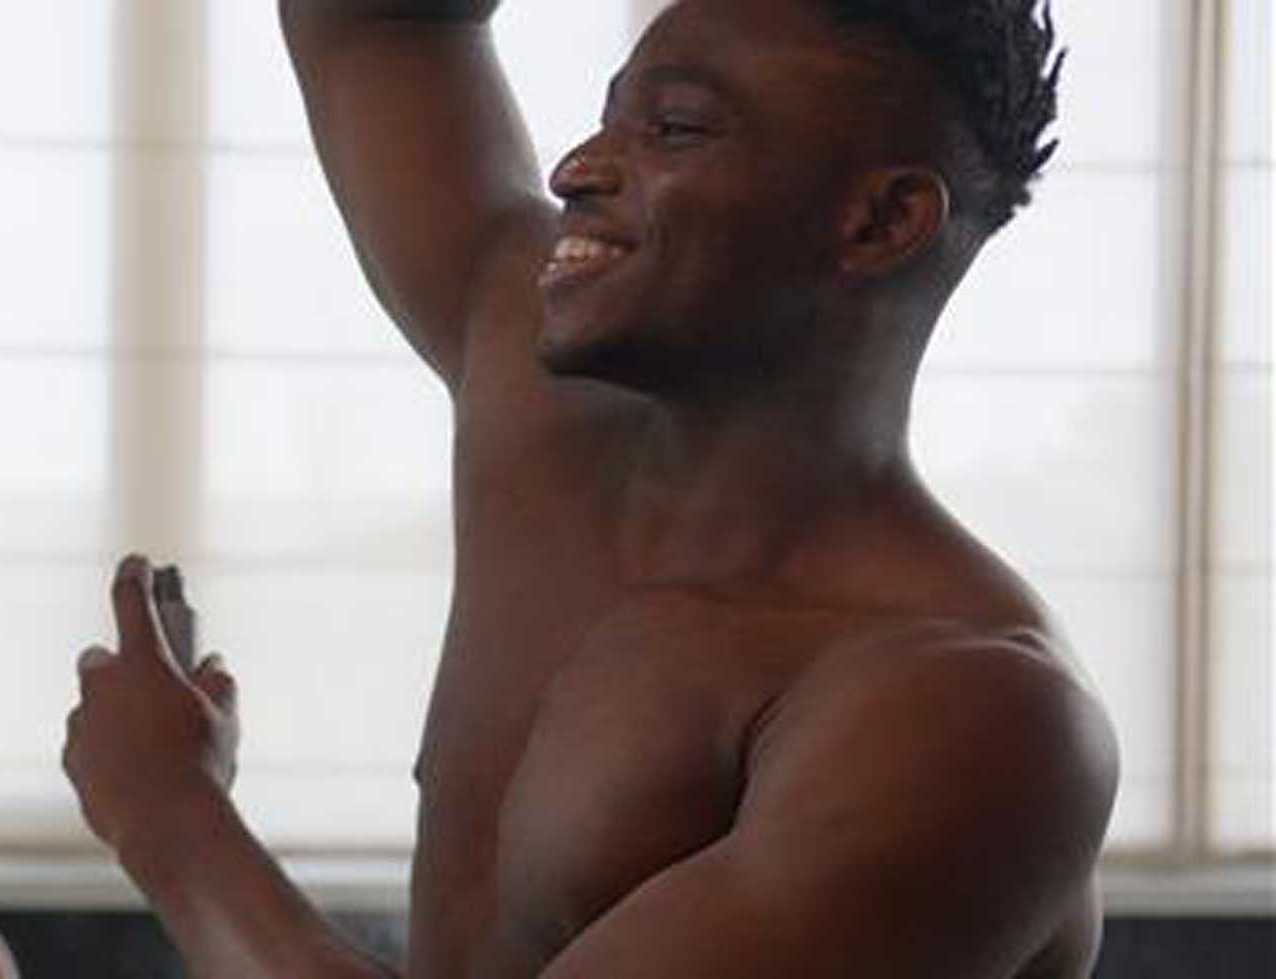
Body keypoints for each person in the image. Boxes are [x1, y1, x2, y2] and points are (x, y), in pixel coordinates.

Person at [59, 0, 1118, 975]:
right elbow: (372, 25)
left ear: (882, 220)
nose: (575, 168)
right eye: (609, 119)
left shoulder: (970, 717)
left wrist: (172, 819)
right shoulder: (538, 404)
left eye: (674, 131)